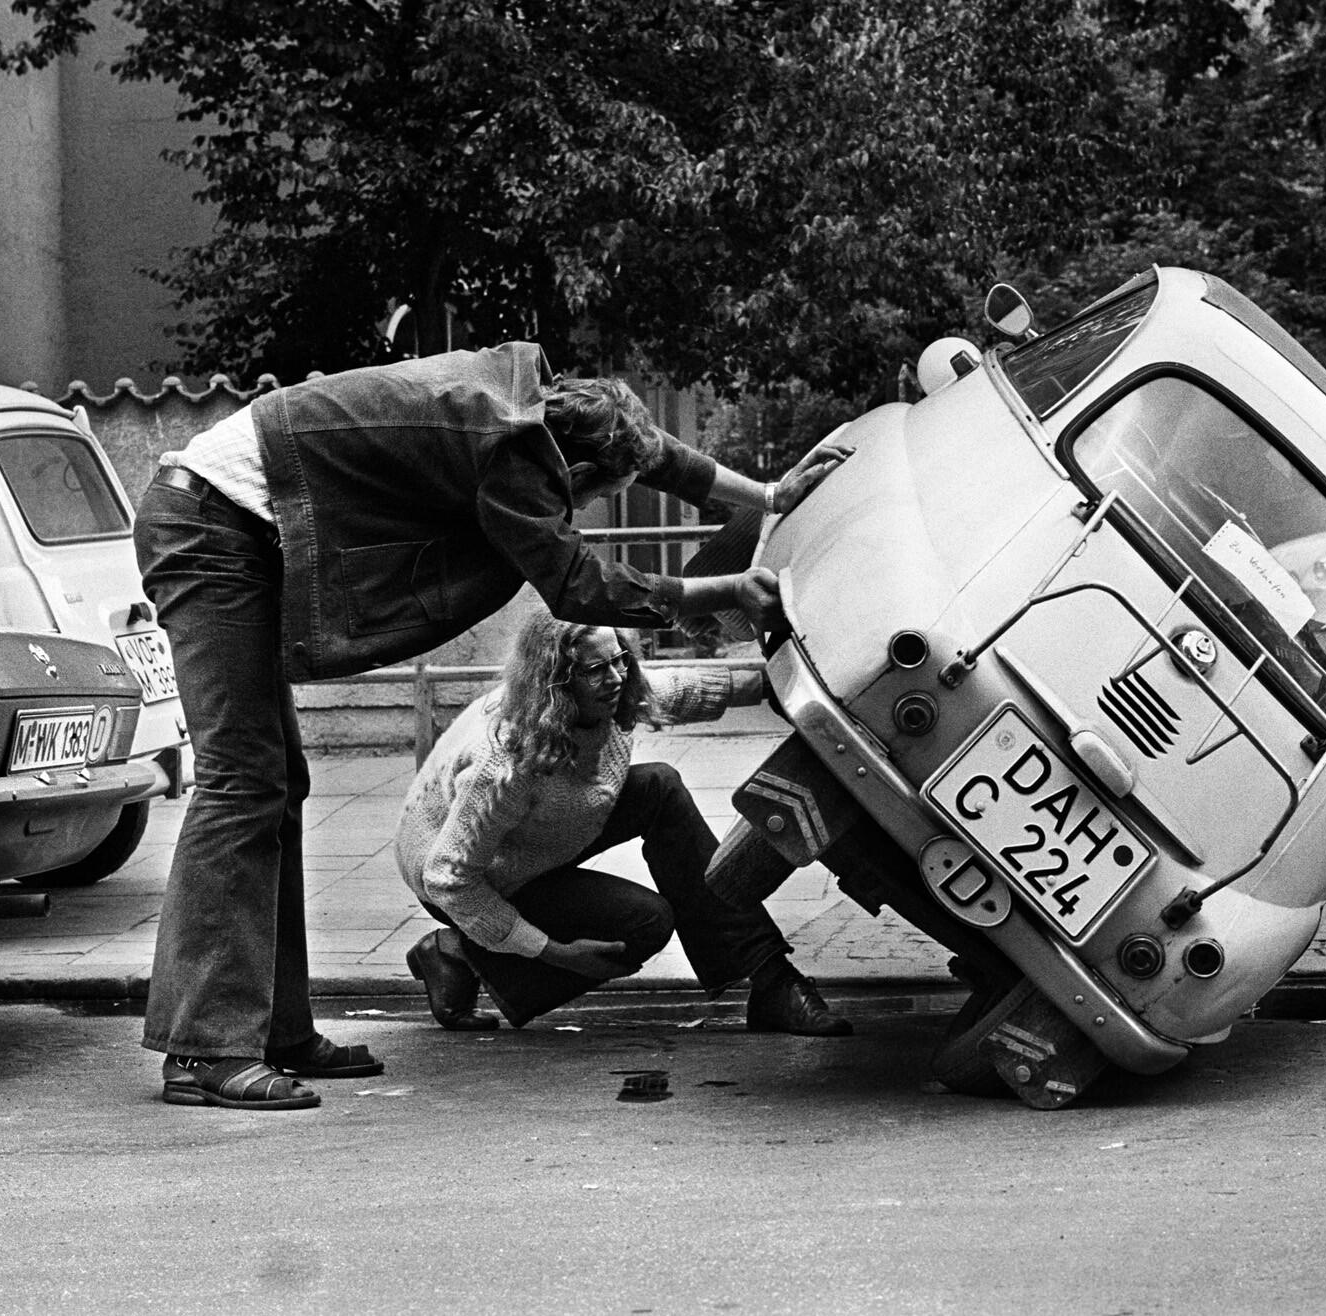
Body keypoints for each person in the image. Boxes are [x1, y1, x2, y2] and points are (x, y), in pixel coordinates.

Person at [134, 342, 846, 1110]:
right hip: (213, 530)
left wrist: (769, 495)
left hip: (240, 527)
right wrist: (729, 590)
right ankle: (206, 1048)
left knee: (276, 787)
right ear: (569, 476)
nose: (575, 514)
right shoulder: (511, 454)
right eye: (585, 502)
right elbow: (579, 584)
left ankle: (273, 1027)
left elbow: (655, 452)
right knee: (245, 785)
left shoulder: (540, 399)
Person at [396, 614, 852, 1035]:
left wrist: (789, 684)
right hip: (469, 875)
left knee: (660, 787)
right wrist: (548, 950)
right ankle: (456, 952)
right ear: (556, 681)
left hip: (537, 837)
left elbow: (681, 689)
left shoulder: (610, 694)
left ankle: (773, 981)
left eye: (619, 661)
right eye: (596, 670)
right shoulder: (506, 766)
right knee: (645, 923)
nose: (615, 679)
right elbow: (448, 878)